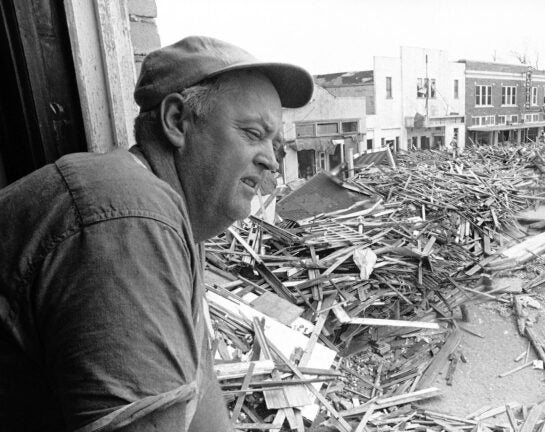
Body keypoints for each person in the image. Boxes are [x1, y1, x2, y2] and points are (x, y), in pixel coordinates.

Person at [0, 36, 313, 431]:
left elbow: (197, 390)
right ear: (177, 121)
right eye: (253, 133)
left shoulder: (175, 218)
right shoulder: (128, 220)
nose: (271, 159)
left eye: (276, 143)